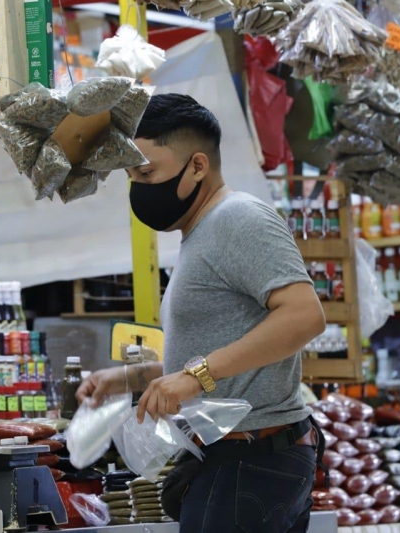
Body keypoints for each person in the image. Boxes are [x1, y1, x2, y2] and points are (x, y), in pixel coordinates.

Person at [76, 94, 326, 533]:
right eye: (132, 175)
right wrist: (131, 378)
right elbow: (223, 348)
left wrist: (196, 376)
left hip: (252, 460)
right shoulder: (201, 233)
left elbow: (304, 317)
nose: (139, 186)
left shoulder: (238, 219)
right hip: (238, 459)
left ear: (197, 166)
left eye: (147, 172)